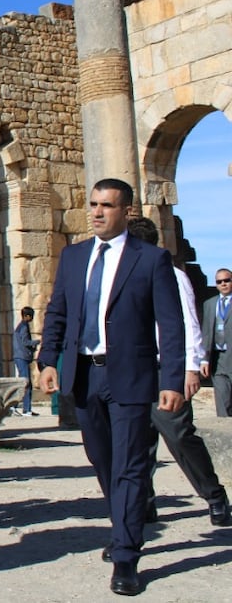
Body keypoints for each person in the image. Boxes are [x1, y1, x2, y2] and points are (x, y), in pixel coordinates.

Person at [38, 178, 185, 597]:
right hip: (85, 374)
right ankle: (125, 519)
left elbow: (170, 326)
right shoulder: (74, 256)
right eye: (93, 204)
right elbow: (58, 312)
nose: (97, 212)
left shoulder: (151, 260)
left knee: (130, 464)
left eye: (107, 205)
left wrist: (171, 379)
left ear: (126, 211)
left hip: (132, 376)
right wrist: (48, 360)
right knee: (102, 459)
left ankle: (126, 554)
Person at [125, 217, 230, 528]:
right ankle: (144, 503)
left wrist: (191, 367)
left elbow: (188, 321)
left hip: (164, 369)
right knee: (135, 441)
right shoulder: (122, 276)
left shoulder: (172, 275)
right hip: (132, 371)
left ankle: (214, 496)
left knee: (180, 436)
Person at [200, 267, 232, 417]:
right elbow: (206, 332)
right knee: (222, 400)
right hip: (217, 358)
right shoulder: (210, 304)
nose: (223, 284)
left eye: (227, 280)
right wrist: (204, 360)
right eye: (219, 282)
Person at [12, 307, 40, 416]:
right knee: (26, 383)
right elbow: (25, 342)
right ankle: (25, 409)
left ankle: (17, 407)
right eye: (31, 316)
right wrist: (37, 342)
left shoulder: (21, 326)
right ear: (26, 316)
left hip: (21, 356)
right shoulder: (23, 326)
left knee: (22, 383)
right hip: (22, 357)